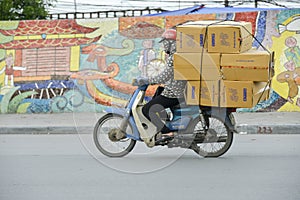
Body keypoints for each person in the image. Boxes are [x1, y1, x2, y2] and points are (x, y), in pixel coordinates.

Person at [141, 29, 187, 143]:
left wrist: (148, 80)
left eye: (165, 43)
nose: (163, 46)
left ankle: (166, 132)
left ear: (171, 43)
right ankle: (164, 120)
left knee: (146, 109)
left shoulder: (174, 57)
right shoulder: (177, 55)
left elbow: (164, 76)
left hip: (173, 94)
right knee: (158, 91)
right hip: (176, 91)